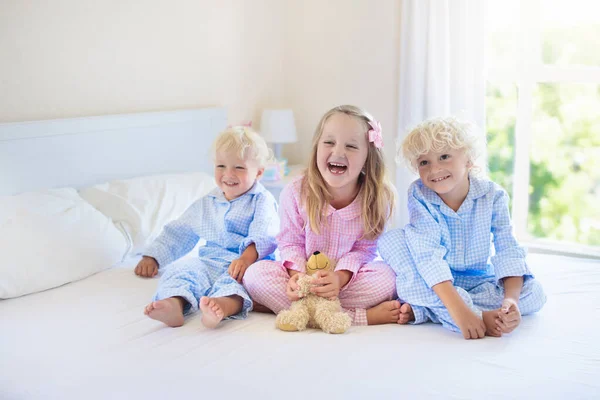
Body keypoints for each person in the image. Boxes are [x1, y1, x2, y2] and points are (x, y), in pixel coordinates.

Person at [378, 116, 546, 339]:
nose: (434, 169)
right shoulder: (420, 194)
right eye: (424, 162)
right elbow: (427, 256)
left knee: (534, 293)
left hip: (477, 281)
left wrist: (510, 301)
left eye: (444, 157)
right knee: (393, 241)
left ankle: (429, 311)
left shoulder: (492, 195)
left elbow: (507, 249)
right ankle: (471, 314)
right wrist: (462, 312)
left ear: (468, 159)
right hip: (436, 281)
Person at [244, 105, 403, 326]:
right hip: (304, 278)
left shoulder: (378, 198)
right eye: (329, 142)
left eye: (351, 146)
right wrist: (296, 277)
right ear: (317, 147)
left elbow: (365, 250)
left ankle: (302, 313)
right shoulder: (296, 192)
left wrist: (339, 278)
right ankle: (355, 317)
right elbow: (290, 243)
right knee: (254, 275)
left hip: (347, 281)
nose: (338, 152)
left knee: (388, 279)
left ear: (368, 156)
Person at [135, 126, 279, 328]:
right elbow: (181, 230)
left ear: (258, 173)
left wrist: (246, 258)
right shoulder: (207, 202)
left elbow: (264, 232)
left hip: (249, 263)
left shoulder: (261, 200)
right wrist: (154, 256)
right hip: (211, 260)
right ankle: (174, 304)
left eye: (239, 167)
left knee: (237, 284)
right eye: (221, 166)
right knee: (184, 270)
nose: (228, 174)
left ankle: (221, 307)